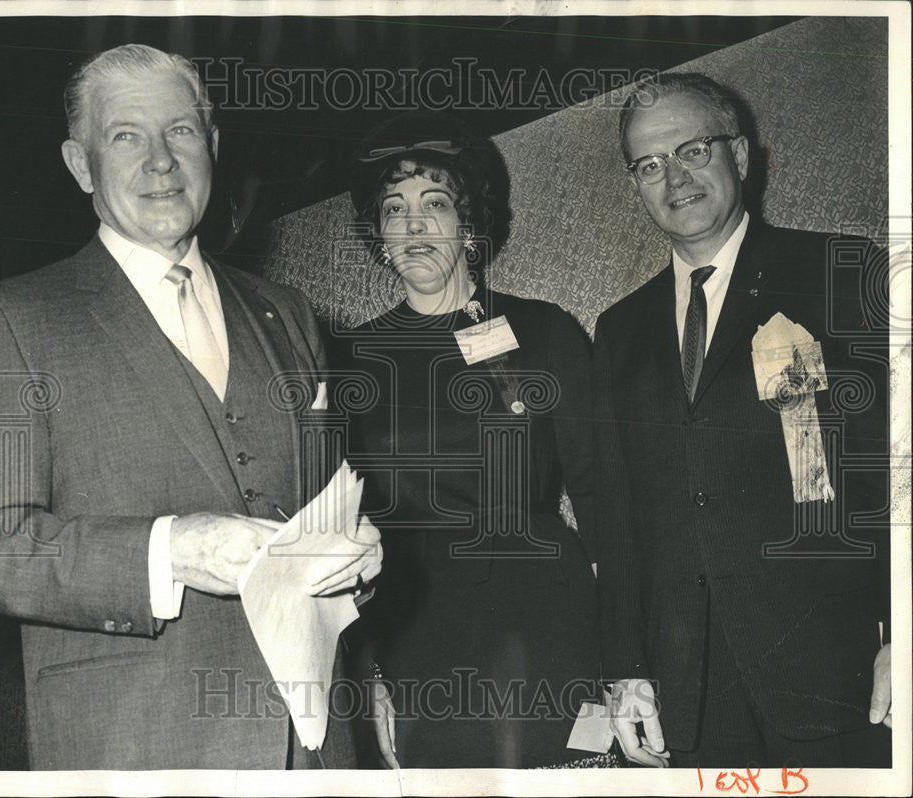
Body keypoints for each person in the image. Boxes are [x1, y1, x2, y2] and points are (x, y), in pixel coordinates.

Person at [0, 43, 382, 770]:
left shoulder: (286, 313)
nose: (160, 161)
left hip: (320, 748)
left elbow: (317, 507)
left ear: (211, 146)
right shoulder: (11, 320)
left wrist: (355, 556)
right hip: (138, 744)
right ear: (81, 165)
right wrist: (167, 549)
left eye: (179, 131)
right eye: (125, 136)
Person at [594, 72, 891, 768]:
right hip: (691, 699)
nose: (674, 177)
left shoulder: (842, 274)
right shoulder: (619, 330)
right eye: (649, 164)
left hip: (843, 678)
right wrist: (627, 667)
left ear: (742, 156)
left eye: (693, 150)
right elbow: (617, 512)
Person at [333, 111, 606, 769]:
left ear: (470, 220)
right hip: (415, 642)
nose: (415, 224)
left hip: (547, 626)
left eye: (436, 202)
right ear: (378, 230)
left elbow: (604, 498)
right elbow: (337, 535)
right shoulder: (347, 360)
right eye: (394, 207)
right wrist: (366, 677)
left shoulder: (544, 332)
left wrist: (624, 665)